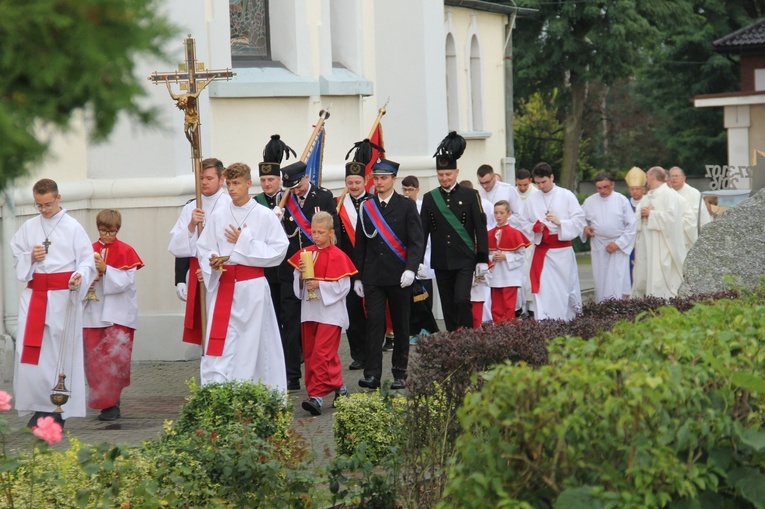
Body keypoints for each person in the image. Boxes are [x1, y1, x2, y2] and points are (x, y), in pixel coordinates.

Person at [11, 178, 96, 428]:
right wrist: (30, 258)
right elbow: (17, 258)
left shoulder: (73, 227)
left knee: (61, 352)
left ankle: (59, 408)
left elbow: (86, 261)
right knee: (30, 353)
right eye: (39, 205)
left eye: (47, 204)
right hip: (35, 295)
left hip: (63, 296)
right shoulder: (28, 227)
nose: (44, 210)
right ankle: (40, 407)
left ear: (58, 198)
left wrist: (79, 275)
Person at [195, 163, 289, 389]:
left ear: (248, 183)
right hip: (224, 286)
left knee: (253, 343)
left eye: (236, 183)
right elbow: (204, 246)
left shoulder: (264, 215)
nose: (232, 188)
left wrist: (244, 241)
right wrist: (213, 259)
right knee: (224, 344)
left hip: (252, 289)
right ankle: (220, 389)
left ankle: (255, 390)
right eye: (229, 184)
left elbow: (278, 251)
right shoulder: (219, 214)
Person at [353, 158, 424, 390]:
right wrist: (358, 277)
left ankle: (400, 373)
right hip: (373, 276)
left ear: (394, 179)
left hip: (399, 276)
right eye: (376, 178)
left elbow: (416, 242)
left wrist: (411, 269)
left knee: (402, 325)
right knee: (374, 324)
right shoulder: (366, 206)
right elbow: (361, 245)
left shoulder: (406, 205)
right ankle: (372, 374)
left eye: (384, 178)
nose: (379, 182)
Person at [276, 161, 338, 391]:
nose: (296, 191)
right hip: (292, 271)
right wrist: (275, 219)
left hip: (319, 271)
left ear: (306, 177)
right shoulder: (282, 201)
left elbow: (334, 233)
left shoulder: (323, 197)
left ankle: (321, 373)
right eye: (291, 187)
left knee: (318, 325)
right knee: (290, 324)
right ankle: (292, 375)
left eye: (298, 185)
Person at [288, 212, 357, 415]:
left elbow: (343, 287)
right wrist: (301, 276)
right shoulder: (305, 253)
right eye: (313, 232)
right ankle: (340, 388)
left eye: (320, 232)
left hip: (330, 313)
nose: (316, 236)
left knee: (321, 354)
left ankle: (316, 396)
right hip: (310, 311)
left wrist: (320, 284)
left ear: (331, 233)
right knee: (313, 355)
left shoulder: (339, 256)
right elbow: (297, 288)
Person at [421, 131, 489, 331]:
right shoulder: (430, 198)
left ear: (457, 173)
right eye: (441, 175)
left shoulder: (470, 195)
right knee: (448, 305)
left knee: (461, 299)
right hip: (441, 260)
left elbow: (480, 227)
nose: (444, 178)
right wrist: (416, 261)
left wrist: (482, 258)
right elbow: (422, 232)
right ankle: (453, 342)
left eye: (448, 174)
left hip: (465, 259)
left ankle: (467, 338)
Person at [83, 209, 144, 421]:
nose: (107, 235)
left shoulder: (126, 251)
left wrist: (106, 269)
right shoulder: (87, 251)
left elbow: (125, 282)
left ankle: (113, 404)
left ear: (118, 229)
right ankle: (102, 401)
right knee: (95, 362)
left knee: (115, 360)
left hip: (119, 314)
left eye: (111, 231)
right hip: (93, 314)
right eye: (103, 231)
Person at [168, 158, 230, 347]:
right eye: (201, 178)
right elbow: (176, 246)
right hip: (196, 272)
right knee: (204, 327)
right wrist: (192, 224)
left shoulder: (229, 205)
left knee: (222, 324)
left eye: (209, 178)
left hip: (221, 272)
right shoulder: (190, 207)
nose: (204, 182)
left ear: (221, 180)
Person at [521, 162, 586, 321]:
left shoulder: (566, 195)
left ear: (551, 177)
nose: (541, 186)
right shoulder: (532, 200)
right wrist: (535, 227)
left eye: (544, 182)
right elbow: (522, 223)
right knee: (544, 290)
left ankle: (566, 320)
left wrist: (560, 223)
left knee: (563, 289)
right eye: (537, 183)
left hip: (562, 252)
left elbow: (579, 221)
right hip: (542, 252)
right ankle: (545, 321)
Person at [337, 144, 374, 370]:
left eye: (357, 182)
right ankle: (358, 354)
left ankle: (372, 353)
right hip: (348, 266)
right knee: (352, 312)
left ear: (364, 182)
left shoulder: (374, 202)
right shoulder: (339, 205)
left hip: (372, 265)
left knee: (373, 311)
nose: (353, 186)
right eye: (350, 183)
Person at [254, 135, 296, 327]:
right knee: (272, 315)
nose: (267, 184)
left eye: (271, 179)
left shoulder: (291, 199)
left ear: (279, 179)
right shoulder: (254, 203)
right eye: (263, 180)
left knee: (290, 313)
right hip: (267, 266)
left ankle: (292, 355)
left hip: (288, 263)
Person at [631, 166, 688, 299]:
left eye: (647, 176)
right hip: (646, 243)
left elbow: (673, 219)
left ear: (652, 177)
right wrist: (641, 215)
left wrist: (652, 215)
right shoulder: (648, 196)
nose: (646, 180)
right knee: (643, 275)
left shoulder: (669, 194)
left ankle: (661, 301)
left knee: (658, 276)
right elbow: (636, 216)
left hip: (661, 244)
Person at [580, 172, 636, 302]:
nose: (602, 191)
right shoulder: (590, 201)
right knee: (601, 279)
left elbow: (631, 225)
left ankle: (618, 307)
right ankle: (602, 308)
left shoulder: (621, 200)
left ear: (613, 185)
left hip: (617, 246)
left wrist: (619, 244)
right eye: (599, 188)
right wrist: (585, 228)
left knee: (617, 279)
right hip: (599, 244)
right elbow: (580, 219)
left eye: (605, 187)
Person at [401, 176, 439, 343]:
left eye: (410, 190)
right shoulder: (401, 207)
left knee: (425, 296)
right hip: (407, 259)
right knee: (411, 298)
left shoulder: (424, 206)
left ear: (417, 190)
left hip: (425, 258)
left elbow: (429, 235)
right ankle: (414, 329)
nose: (408, 193)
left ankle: (427, 330)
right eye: (405, 190)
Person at [487, 201, 530, 323]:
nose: (498, 216)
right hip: (495, 276)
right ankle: (497, 332)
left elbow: (521, 255)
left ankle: (508, 331)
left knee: (509, 306)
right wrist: (493, 257)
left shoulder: (515, 233)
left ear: (509, 214)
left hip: (510, 276)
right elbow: (485, 254)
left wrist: (505, 257)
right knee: (496, 306)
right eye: (496, 213)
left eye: (502, 213)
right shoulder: (489, 234)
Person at [515, 168, 538, 318]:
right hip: (516, 241)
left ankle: (531, 308)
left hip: (531, 241)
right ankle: (519, 308)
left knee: (530, 275)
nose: (522, 188)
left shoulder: (536, 195)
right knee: (518, 276)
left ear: (530, 181)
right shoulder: (513, 193)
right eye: (519, 185)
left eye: (524, 185)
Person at [476, 164, 525, 230]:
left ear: (494, 177)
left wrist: (503, 217)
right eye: (481, 183)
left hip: (506, 231)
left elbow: (519, 215)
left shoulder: (508, 189)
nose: (484, 186)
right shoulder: (478, 193)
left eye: (487, 182)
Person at [669, 166, 712, 234]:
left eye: (676, 176)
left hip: (691, 231)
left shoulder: (694, 193)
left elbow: (697, 215)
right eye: (671, 176)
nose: (674, 178)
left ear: (684, 178)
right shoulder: (667, 193)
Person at [625, 166, 647, 284]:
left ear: (643, 189)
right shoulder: (625, 203)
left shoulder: (648, 201)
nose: (635, 192)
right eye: (632, 189)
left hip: (644, 240)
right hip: (629, 242)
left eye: (637, 189)